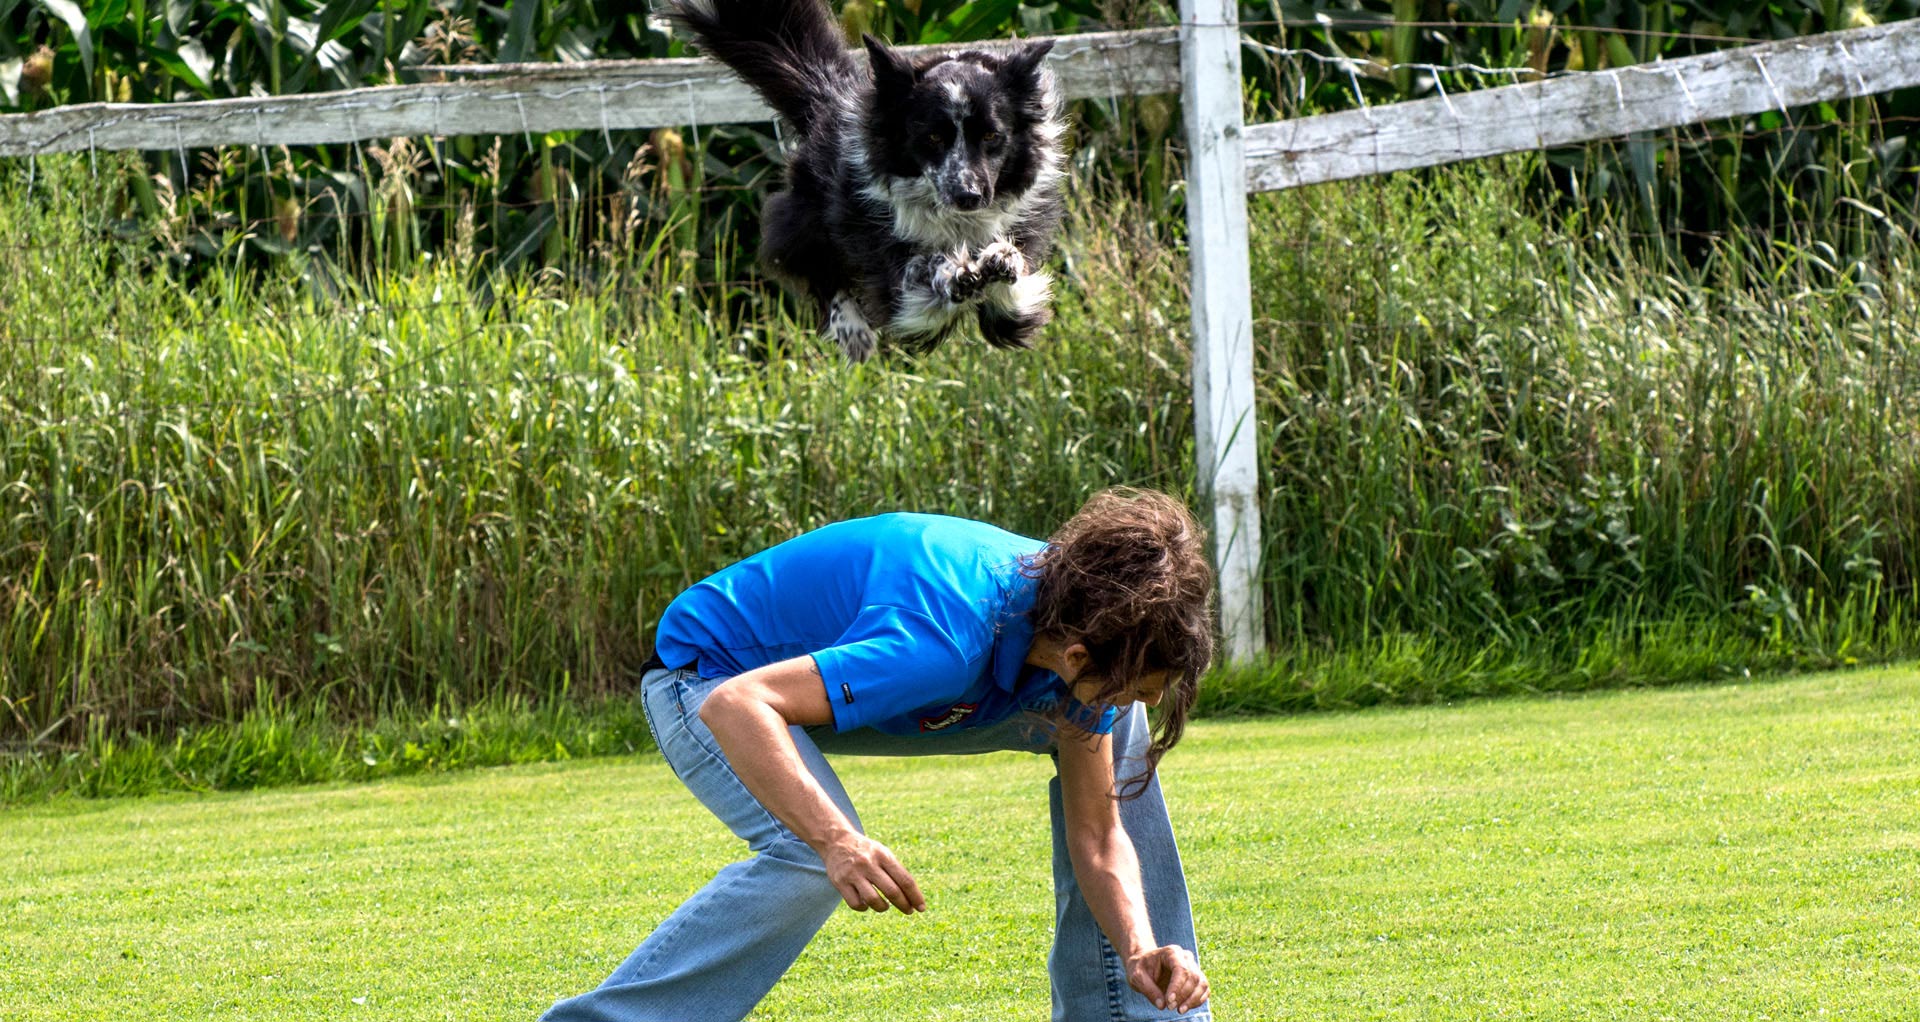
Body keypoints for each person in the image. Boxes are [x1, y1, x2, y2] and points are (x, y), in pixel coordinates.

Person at [542, 488, 1217, 1021]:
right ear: (1074, 654)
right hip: (708, 677)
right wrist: (837, 840)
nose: (1150, 698)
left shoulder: (1088, 613)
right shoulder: (940, 640)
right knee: (809, 853)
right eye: (1143, 683)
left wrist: (1137, 943)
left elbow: (1098, 836)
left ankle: (1141, 1008)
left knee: (1119, 728)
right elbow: (737, 706)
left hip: (863, 685)